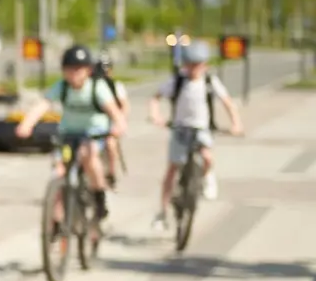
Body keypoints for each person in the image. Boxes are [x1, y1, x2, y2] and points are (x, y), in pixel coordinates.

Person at [16, 44, 128, 220]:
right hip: (68, 132)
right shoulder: (62, 87)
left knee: (88, 154)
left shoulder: (97, 87)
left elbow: (114, 111)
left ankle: (99, 195)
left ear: (88, 70)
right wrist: (27, 124)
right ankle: (56, 222)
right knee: (59, 170)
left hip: (93, 131)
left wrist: (119, 125)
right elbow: (43, 105)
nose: (74, 74)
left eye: (79, 69)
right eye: (70, 69)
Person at [149, 39, 243, 229]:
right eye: (190, 65)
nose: (194, 69)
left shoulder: (209, 82)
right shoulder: (178, 81)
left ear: (205, 65)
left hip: (202, 129)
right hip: (180, 129)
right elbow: (156, 98)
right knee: (172, 169)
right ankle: (162, 212)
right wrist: (155, 115)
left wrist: (236, 123)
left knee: (207, 158)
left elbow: (227, 102)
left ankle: (207, 178)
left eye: (198, 65)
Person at [93, 51, 129, 188]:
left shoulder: (116, 86)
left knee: (110, 144)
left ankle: (111, 173)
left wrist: (119, 123)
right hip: (94, 123)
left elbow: (124, 106)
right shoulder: (92, 86)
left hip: (111, 122)